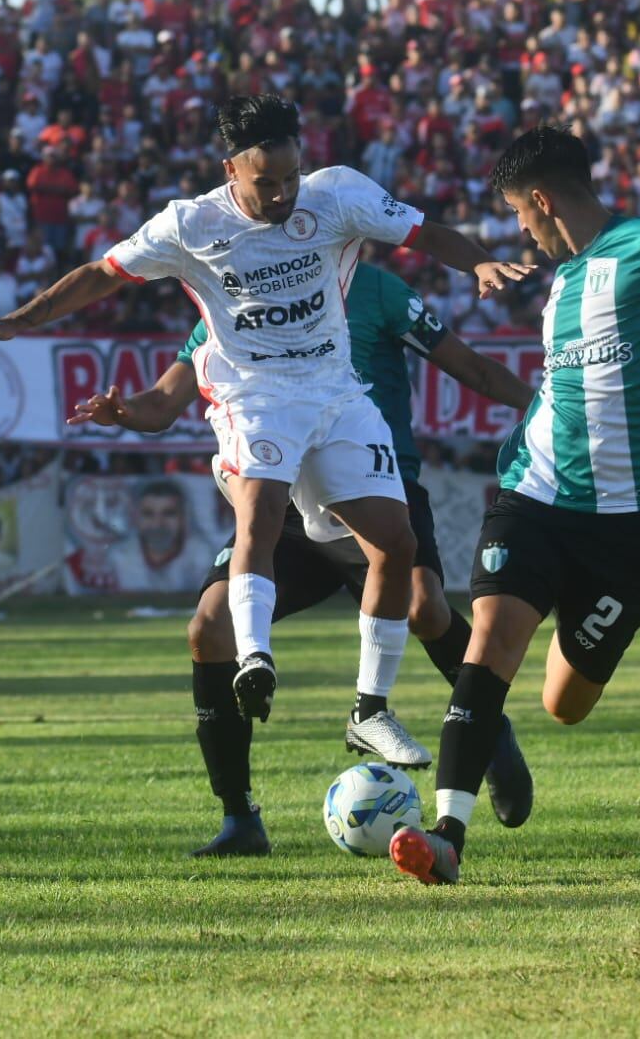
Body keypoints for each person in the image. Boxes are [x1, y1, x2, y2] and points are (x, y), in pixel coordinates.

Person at [0, 95, 529, 764]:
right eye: (265, 183)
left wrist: (479, 261)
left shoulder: (336, 194)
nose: (282, 194)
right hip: (254, 396)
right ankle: (255, 657)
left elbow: (425, 234)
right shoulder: (188, 225)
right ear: (230, 170)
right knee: (260, 515)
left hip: (336, 392)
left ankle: (369, 710)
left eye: (289, 178)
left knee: (395, 545)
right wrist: (19, 321)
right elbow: (99, 276)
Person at [389, 126, 640, 886]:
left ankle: (488, 726)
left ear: (541, 201)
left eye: (517, 213)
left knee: (564, 705)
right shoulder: (561, 284)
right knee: (490, 642)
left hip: (634, 528)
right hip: (536, 494)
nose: (519, 230)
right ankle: (446, 835)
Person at [69, 262, 538, 856]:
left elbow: (468, 366)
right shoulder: (235, 293)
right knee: (209, 630)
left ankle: (486, 728)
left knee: (424, 608)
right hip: (285, 506)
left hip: (374, 488)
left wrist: (542, 404)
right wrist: (124, 411)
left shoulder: (377, 287)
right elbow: (165, 401)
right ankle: (240, 819)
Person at [107, 480, 215, 592]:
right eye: (148, 514)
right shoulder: (119, 557)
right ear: (135, 518)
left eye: (169, 513)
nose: (157, 524)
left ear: (183, 518)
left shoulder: (202, 555)